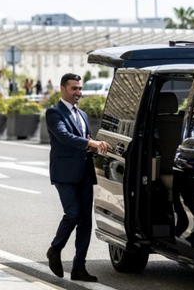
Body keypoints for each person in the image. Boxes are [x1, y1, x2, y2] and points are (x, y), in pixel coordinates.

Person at [45, 73, 111, 282]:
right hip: (64, 174)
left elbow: (84, 140)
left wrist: (93, 147)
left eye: (80, 89)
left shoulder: (81, 114)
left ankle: (79, 268)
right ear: (63, 89)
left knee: (85, 222)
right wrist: (90, 143)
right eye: (74, 89)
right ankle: (55, 249)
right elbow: (64, 137)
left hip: (84, 173)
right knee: (72, 214)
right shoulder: (54, 113)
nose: (78, 93)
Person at [173, 104, 194, 248]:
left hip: (189, 174)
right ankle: (180, 222)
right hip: (172, 169)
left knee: (191, 202)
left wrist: (193, 167)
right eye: (192, 113)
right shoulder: (176, 128)